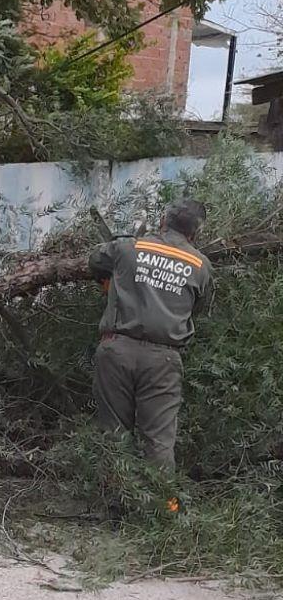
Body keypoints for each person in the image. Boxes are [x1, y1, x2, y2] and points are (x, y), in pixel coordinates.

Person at [89, 199, 214, 471]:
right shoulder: (200, 265)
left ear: (162, 222)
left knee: (113, 434)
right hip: (163, 360)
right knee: (158, 441)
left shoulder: (128, 247)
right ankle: (161, 509)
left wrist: (113, 278)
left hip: (116, 350)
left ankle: (115, 505)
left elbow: (95, 260)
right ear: (195, 234)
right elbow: (198, 309)